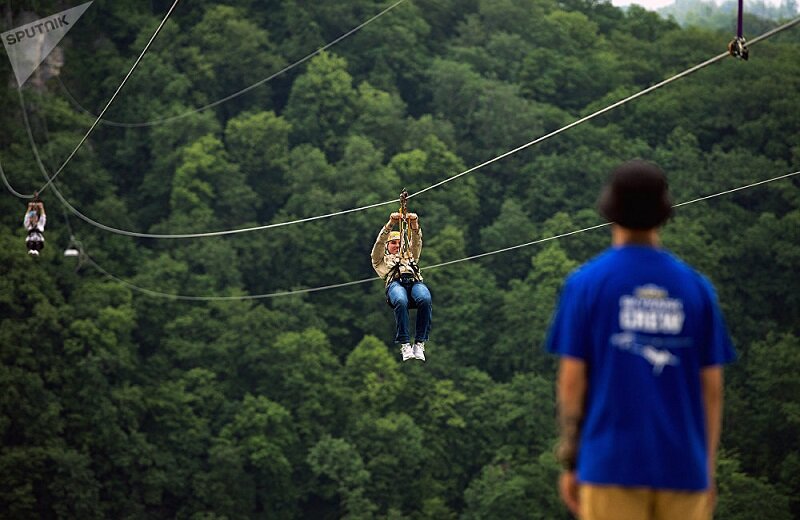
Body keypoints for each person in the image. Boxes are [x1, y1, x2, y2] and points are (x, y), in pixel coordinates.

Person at [545, 160, 736, 520]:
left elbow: (572, 383)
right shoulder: (696, 289)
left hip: (609, 466)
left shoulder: (585, 285)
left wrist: (573, 460)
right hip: (683, 469)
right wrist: (705, 469)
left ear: (610, 211)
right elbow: (711, 389)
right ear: (664, 213)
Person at [371, 211, 432, 362]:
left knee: (425, 298)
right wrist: (391, 224)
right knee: (400, 300)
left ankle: (419, 342)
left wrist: (414, 225)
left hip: (413, 282)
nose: (397, 245)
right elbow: (379, 243)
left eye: (399, 242)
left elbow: (417, 241)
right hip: (395, 284)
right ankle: (405, 343)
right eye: (393, 243)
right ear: (387, 246)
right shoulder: (380, 260)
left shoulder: (410, 255)